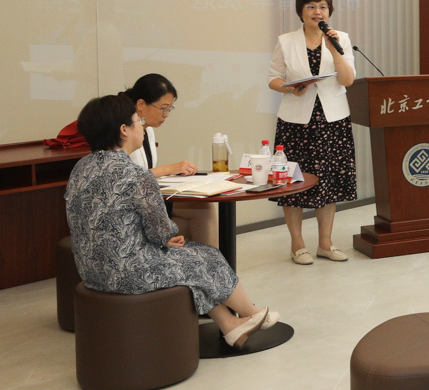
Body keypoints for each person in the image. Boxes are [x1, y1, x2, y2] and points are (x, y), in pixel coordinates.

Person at [65, 93, 275, 349]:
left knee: (187, 263)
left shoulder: (80, 169)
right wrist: (167, 237)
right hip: (128, 272)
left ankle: (230, 326)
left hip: (91, 270)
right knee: (206, 255)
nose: (142, 126)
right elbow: (159, 231)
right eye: (137, 120)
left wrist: (163, 240)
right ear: (124, 129)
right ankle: (252, 313)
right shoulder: (136, 174)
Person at [267, 0, 356, 265]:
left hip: (333, 120)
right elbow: (273, 78)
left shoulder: (340, 38)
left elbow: (347, 80)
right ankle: (297, 244)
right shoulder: (286, 41)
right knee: (293, 183)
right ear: (301, 12)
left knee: (329, 182)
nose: (318, 12)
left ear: (329, 12)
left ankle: (325, 244)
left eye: (323, 7)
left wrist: (335, 51)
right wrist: (289, 88)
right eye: (311, 7)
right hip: (296, 122)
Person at [125, 72, 216, 248]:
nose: (166, 114)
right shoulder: (125, 133)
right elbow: (131, 179)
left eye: (169, 109)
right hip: (133, 207)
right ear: (141, 104)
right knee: (202, 213)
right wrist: (170, 168)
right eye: (163, 108)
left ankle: (209, 262)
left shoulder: (148, 130)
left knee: (204, 209)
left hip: (149, 201)